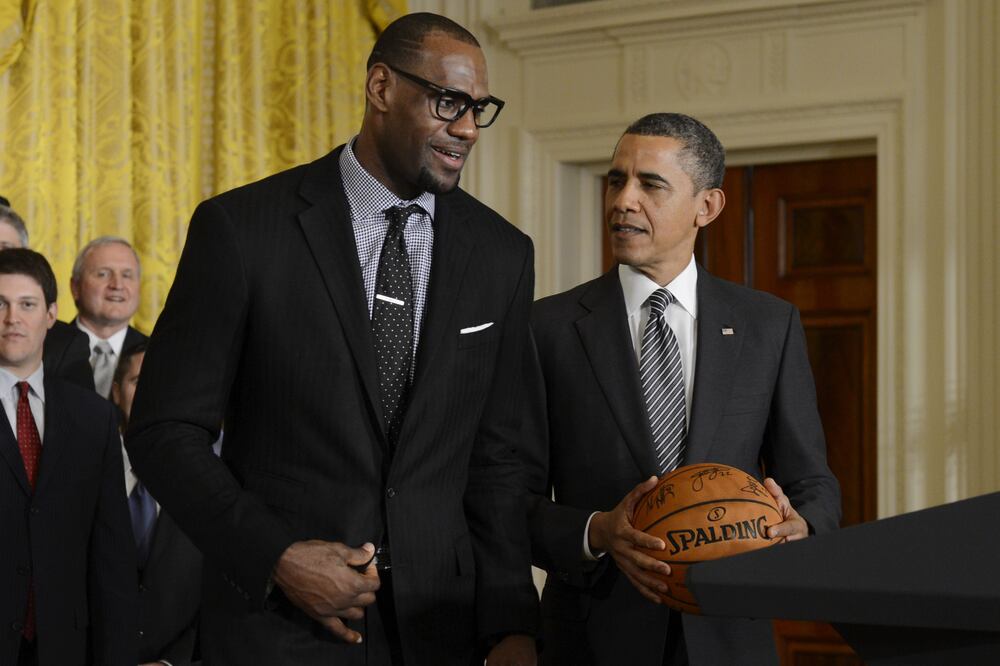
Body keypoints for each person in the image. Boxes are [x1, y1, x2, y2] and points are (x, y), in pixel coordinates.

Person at [126, 12, 538, 666]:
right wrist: (276, 556)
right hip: (277, 629)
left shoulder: (503, 255)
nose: (466, 129)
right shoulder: (242, 229)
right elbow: (163, 430)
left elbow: (500, 460)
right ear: (380, 87)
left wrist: (513, 622)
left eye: (477, 110)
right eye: (448, 103)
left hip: (442, 634)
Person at [524, 113, 841, 665]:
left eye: (650, 184)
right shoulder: (543, 328)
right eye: (615, 180)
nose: (623, 201)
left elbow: (812, 479)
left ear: (707, 206)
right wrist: (598, 531)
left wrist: (802, 525)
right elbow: (503, 496)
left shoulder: (769, 325)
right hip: (590, 641)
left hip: (730, 638)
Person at [0, 248, 136, 666]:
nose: (12, 319)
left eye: (27, 304)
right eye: (0, 304)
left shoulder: (93, 418)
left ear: (51, 314)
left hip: (66, 646)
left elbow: (112, 555)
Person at [111, 342, 203, 666]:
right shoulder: (80, 472)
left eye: (161, 380)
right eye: (138, 381)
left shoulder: (208, 482)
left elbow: (219, 595)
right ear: (116, 391)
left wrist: (171, 663)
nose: (151, 391)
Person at [70, 236, 148, 398]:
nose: (117, 285)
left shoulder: (156, 354)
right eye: (103, 274)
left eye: (127, 275)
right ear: (75, 287)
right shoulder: (44, 348)